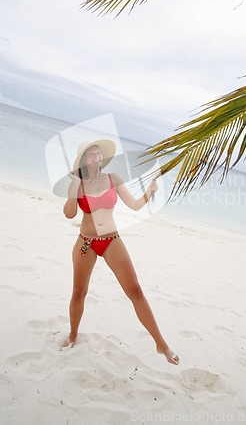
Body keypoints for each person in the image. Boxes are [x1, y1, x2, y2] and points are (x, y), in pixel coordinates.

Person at [61, 139, 179, 365]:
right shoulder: (78, 184)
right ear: (84, 160)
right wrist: (75, 186)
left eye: (98, 153)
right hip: (86, 243)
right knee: (79, 293)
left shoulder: (113, 179)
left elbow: (134, 205)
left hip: (112, 240)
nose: (96, 156)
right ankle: (73, 335)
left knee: (135, 290)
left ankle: (160, 343)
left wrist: (150, 192)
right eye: (91, 154)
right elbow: (68, 214)